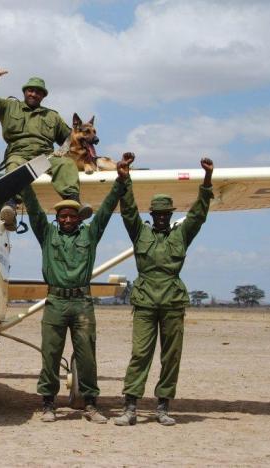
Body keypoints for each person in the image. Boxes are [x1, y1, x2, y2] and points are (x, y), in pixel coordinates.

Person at [22, 153, 132, 423]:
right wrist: (22, 179)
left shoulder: (89, 235)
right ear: (57, 218)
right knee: (50, 353)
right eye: (63, 216)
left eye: (72, 216)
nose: (68, 220)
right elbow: (34, 208)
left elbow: (105, 211)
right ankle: (48, 404)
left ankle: (91, 404)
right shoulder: (47, 235)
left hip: (82, 303)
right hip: (56, 303)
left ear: (79, 219)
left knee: (86, 356)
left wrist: (120, 179)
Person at [113, 157, 215, 427]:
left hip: (172, 301)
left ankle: (163, 407)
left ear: (170, 215)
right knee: (140, 354)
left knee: (171, 355)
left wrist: (207, 179)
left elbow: (199, 213)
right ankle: (131, 407)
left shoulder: (181, 235)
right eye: (157, 214)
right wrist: (125, 178)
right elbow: (128, 210)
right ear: (151, 216)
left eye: (165, 214)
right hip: (145, 301)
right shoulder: (139, 233)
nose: (161, 218)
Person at [0, 66, 90, 231]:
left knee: (66, 164)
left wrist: (84, 145)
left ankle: (74, 203)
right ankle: (10, 207)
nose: (33, 94)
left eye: (38, 92)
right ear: (25, 92)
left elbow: (70, 139)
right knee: (14, 167)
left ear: (43, 96)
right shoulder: (9, 107)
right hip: (19, 153)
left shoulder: (52, 116)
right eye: (30, 91)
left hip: (45, 156)